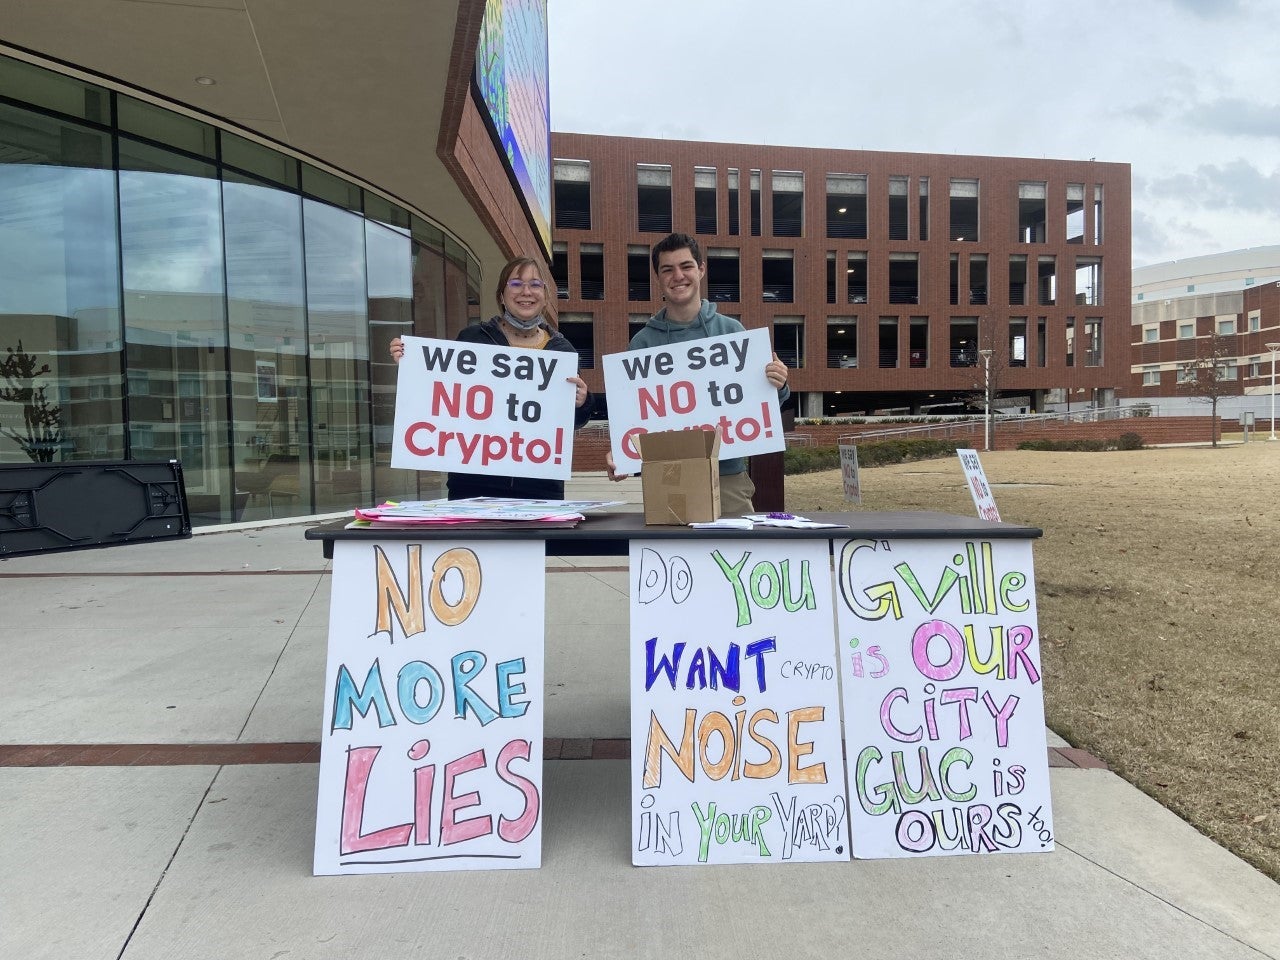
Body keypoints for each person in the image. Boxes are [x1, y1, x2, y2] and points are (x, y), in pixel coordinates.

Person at [606, 232, 790, 514]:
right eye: (668, 269)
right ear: (658, 277)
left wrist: (778, 383)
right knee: (672, 557)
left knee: (733, 556)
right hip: (668, 477)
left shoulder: (732, 333)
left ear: (701, 270)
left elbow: (761, 407)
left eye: (686, 266)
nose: (678, 276)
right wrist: (621, 454)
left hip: (727, 476)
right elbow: (634, 416)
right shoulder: (641, 344)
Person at [390, 256, 593, 500]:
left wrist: (583, 402)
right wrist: (412, 363)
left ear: (546, 297)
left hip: (540, 488)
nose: (526, 291)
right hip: (473, 486)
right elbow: (442, 400)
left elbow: (571, 422)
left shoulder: (562, 351)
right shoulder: (474, 338)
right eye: (516, 284)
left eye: (535, 284)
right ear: (501, 295)